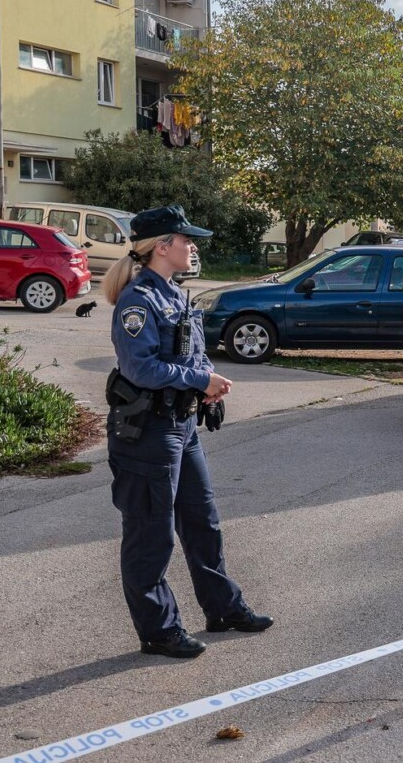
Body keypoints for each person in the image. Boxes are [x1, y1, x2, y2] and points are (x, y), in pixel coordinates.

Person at [103, 205, 272, 658]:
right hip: (147, 432)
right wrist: (199, 380)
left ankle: (223, 609)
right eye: (186, 240)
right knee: (151, 534)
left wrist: (207, 384)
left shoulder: (175, 294)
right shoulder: (138, 301)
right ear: (162, 247)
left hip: (181, 425)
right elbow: (140, 367)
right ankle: (158, 632)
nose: (192, 247)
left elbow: (188, 355)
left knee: (203, 522)